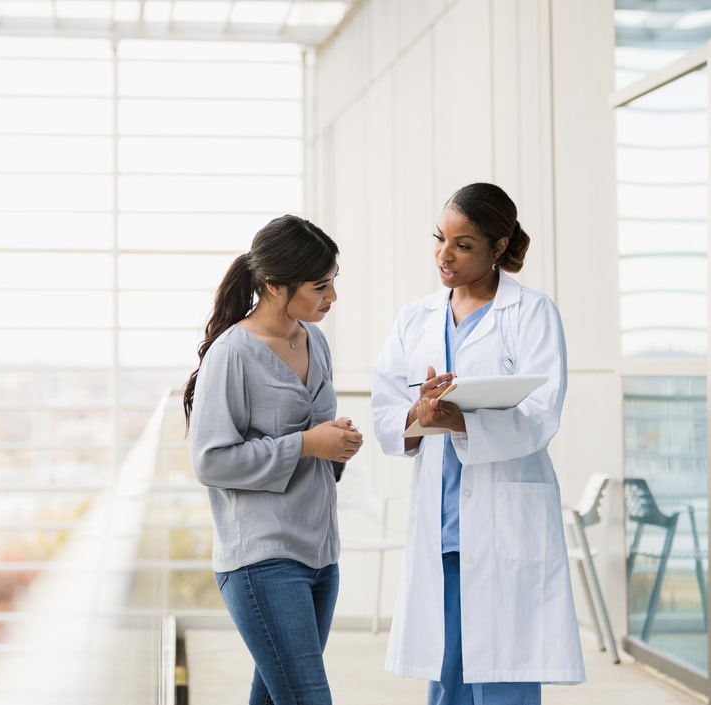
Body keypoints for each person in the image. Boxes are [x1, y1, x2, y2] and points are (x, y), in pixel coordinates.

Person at [371, 183, 585, 704]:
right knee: (447, 678)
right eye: (440, 239)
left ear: (498, 247)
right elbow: (385, 413)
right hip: (442, 526)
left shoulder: (532, 314)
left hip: (504, 518)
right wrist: (418, 415)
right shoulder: (414, 318)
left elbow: (541, 414)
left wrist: (461, 423)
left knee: (504, 676)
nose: (445, 255)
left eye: (463, 245)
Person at [184, 214, 364, 705]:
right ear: (273, 285)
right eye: (320, 286)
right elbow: (211, 461)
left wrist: (337, 445)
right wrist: (307, 444)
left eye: (333, 283)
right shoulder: (233, 354)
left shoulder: (315, 341)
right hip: (261, 559)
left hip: (321, 554)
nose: (331, 298)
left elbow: (318, 442)